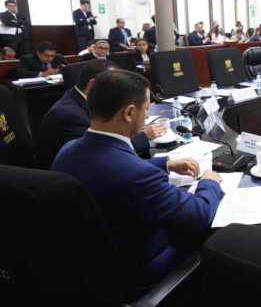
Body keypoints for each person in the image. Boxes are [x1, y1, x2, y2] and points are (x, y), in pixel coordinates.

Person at [52, 70, 224, 298]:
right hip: (139, 273)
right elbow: (199, 215)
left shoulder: (68, 150)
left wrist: (165, 164)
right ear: (130, 112)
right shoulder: (137, 175)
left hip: (89, 267)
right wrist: (209, 183)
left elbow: (108, 170)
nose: (147, 115)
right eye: (146, 108)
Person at [38, 60, 166, 169]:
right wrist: (143, 136)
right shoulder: (69, 116)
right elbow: (106, 156)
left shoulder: (79, 99)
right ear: (93, 85)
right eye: (116, 86)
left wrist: (166, 164)